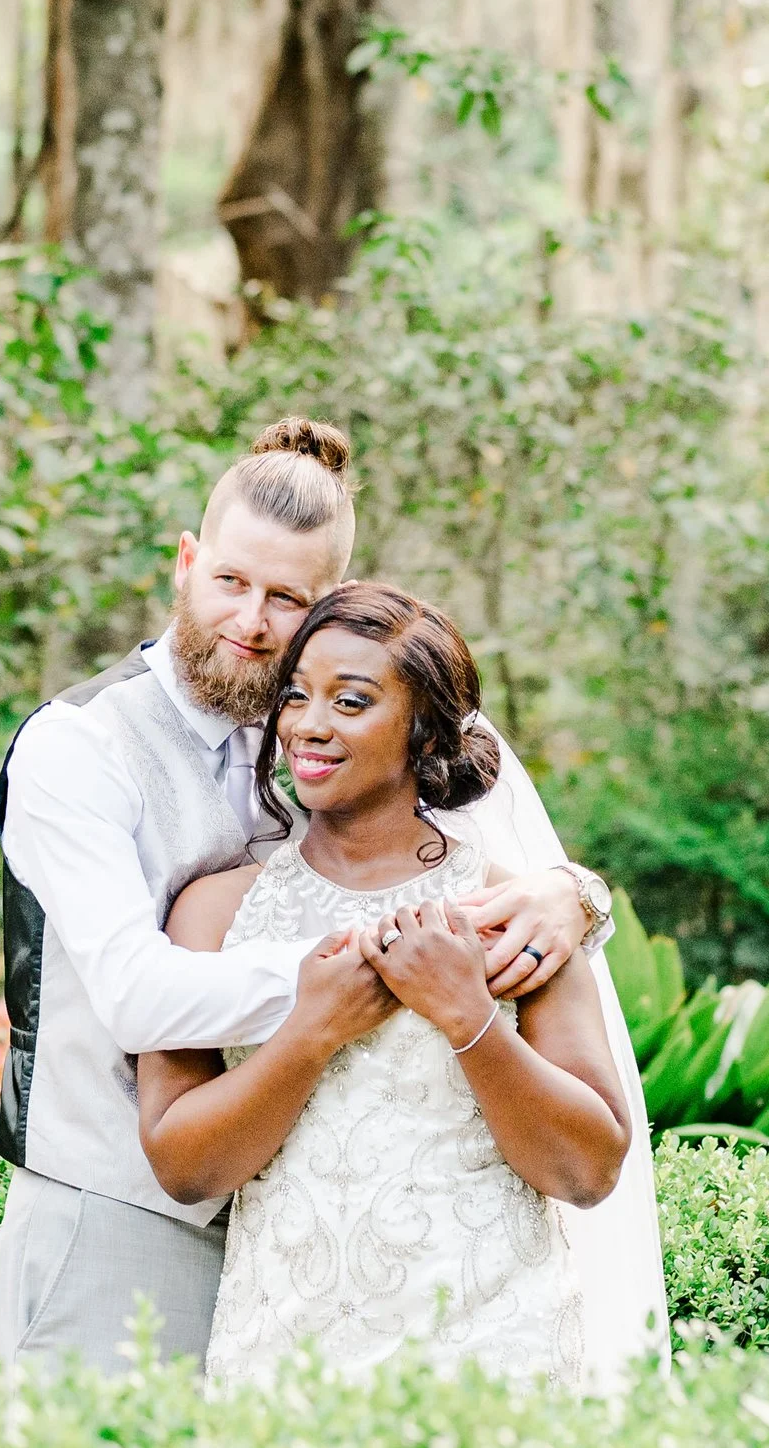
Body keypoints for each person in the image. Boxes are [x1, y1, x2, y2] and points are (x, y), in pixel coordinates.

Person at [0, 415, 667, 1385]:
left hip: (321, 1247)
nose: (250, 621)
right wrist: (382, 966)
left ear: (329, 599)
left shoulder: (333, 702)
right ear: (185, 561)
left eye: (284, 597)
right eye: (228, 581)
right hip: (118, 1204)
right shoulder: (80, 745)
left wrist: (569, 896)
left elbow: (489, 824)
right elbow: (138, 995)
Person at [139, 583, 626, 1385]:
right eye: (296, 695)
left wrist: (471, 1017)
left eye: (352, 700)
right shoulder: (214, 911)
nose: (310, 724)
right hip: (283, 1364)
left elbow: (589, 1169)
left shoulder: (515, 915)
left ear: (423, 729)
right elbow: (184, 1167)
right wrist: (308, 1033)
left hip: (489, 1359)